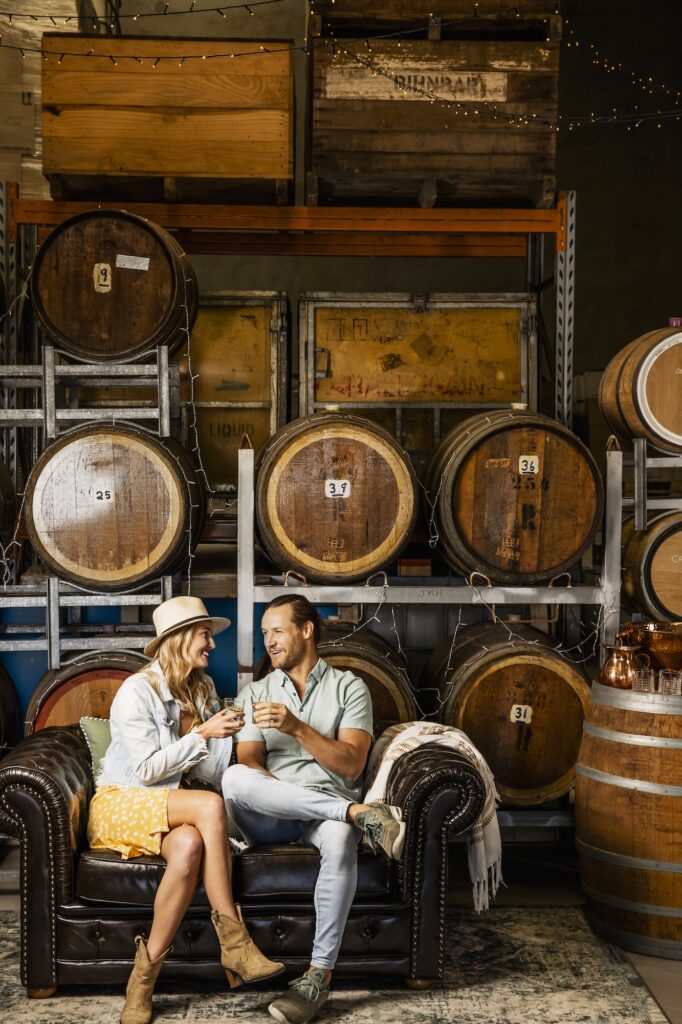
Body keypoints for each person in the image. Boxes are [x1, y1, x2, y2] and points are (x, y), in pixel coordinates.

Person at [88, 595, 284, 1024]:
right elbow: (143, 771)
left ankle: (141, 984)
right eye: (204, 635)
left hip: (171, 807)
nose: (212, 644)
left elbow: (209, 772)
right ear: (178, 639)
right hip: (122, 801)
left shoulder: (203, 688)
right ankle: (236, 944)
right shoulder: (137, 690)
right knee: (209, 808)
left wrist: (228, 735)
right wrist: (202, 733)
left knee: (191, 847)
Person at [222, 595, 406, 1024]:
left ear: (307, 630)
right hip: (271, 815)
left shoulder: (349, 687)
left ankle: (317, 978)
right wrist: (289, 796)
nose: (268, 640)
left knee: (340, 837)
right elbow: (249, 763)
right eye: (264, 632)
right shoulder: (255, 692)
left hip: (324, 818)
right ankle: (356, 813)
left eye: (277, 630)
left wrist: (295, 727)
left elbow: (352, 763)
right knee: (233, 780)